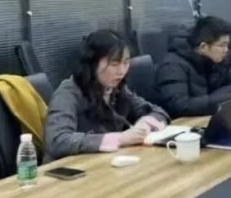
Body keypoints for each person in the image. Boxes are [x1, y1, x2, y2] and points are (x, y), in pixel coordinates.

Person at [44, 29, 169, 162]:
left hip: (104, 162)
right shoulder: (68, 93)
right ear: (93, 64)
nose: (121, 71)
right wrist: (120, 139)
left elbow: (158, 112)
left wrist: (145, 125)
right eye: (114, 64)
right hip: (69, 167)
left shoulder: (116, 88)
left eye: (126, 62)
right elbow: (57, 140)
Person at [154, 16, 231, 118]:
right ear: (203, 47)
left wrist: (218, 98)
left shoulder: (215, 60)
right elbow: (181, 105)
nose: (226, 50)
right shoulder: (172, 66)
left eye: (227, 45)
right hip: (180, 123)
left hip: (205, 116)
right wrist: (221, 100)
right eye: (222, 45)